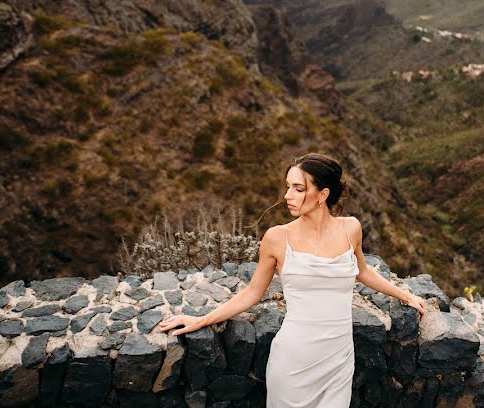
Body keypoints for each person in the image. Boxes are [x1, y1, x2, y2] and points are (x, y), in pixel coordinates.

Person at [157, 152, 427, 407]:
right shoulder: (277, 237)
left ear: (323, 194)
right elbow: (253, 292)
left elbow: (363, 271)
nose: (288, 195)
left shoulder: (351, 228)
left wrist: (406, 296)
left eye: (298, 189)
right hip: (294, 360)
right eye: (288, 187)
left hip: (338, 357)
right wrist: (201, 320)